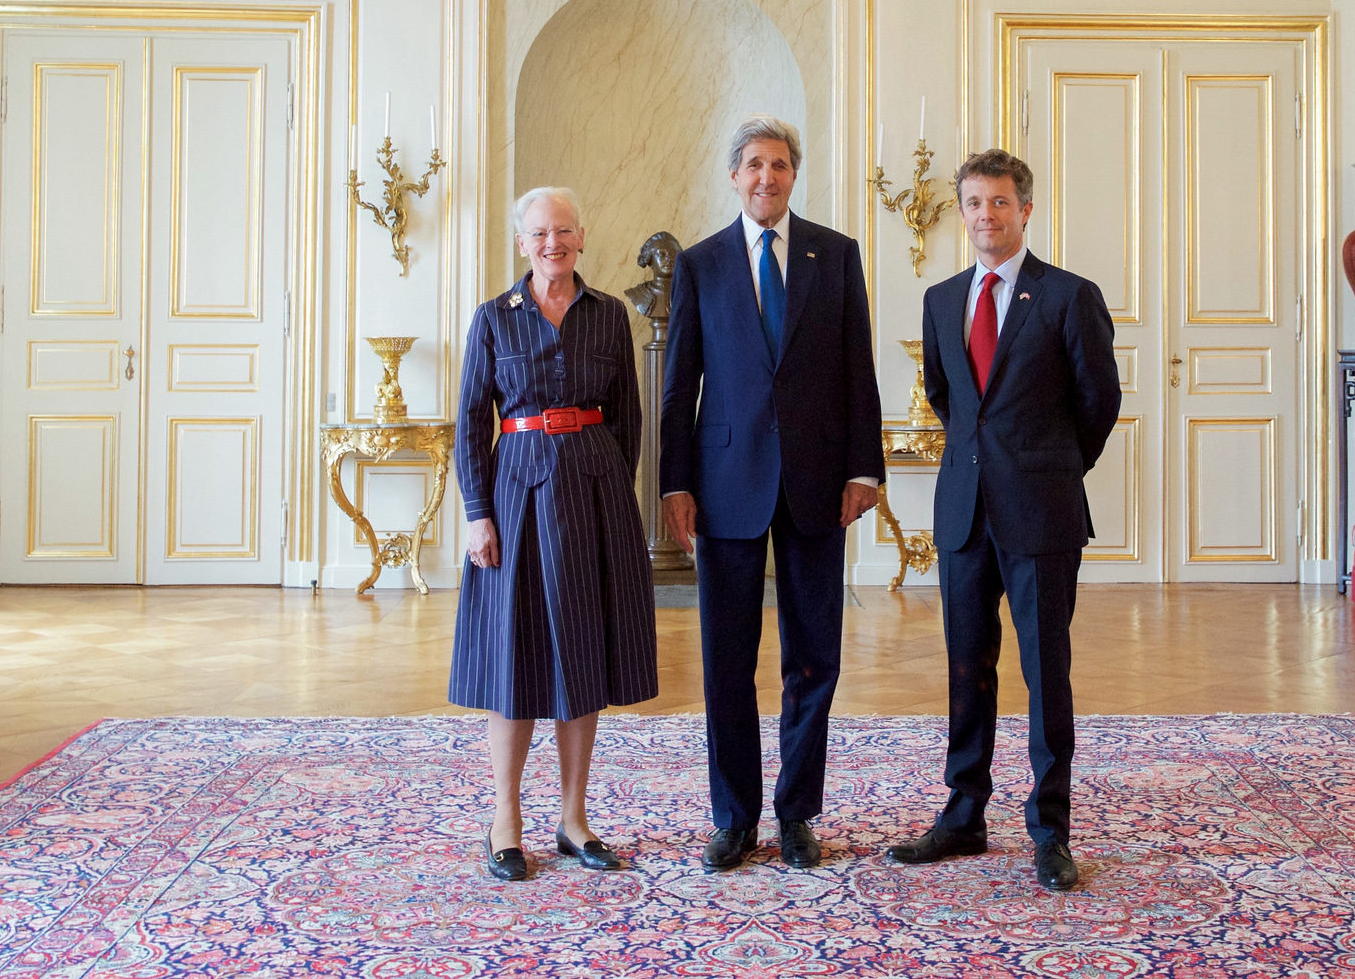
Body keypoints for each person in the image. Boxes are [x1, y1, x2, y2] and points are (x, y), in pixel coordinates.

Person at [886, 148, 1121, 892]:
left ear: (1025, 209)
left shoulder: (1067, 296)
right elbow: (946, 398)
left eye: (999, 202)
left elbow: (1099, 402)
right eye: (974, 202)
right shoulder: (941, 297)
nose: (985, 214)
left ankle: (1050, 827)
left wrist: (1046, 464)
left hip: (1041, 510)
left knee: (1045, 671)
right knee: (966, 665)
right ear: (961, 212)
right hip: (963, 513)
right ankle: (964, 813)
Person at [659, 115, 884, 873]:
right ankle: (733, 816)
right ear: (733, 175)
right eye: (754, 164)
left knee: (814, 655)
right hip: (724, 485)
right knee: (727, 658)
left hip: (820, 482)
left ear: (794, 174)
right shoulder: (700, 265)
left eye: (780, 165)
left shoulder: (836, 254)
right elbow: (678, 384)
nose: (767, 176)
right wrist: (675, 480)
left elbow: (860, 369)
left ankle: (796, 812)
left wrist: (865, 468)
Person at [450, 186, 658, 882]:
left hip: (594, 497)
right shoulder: (492, 319)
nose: (552, 243)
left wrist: (610, 494)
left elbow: (627, 418)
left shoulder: (609, 317)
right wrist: (479, 511)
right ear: (522, 242)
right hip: (514, 499)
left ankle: (574, 818)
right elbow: (471, 424)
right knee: (516, 659)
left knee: (583, 657)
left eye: (564, 231)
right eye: (540, 233)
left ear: (581, 237)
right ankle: (505, 816)